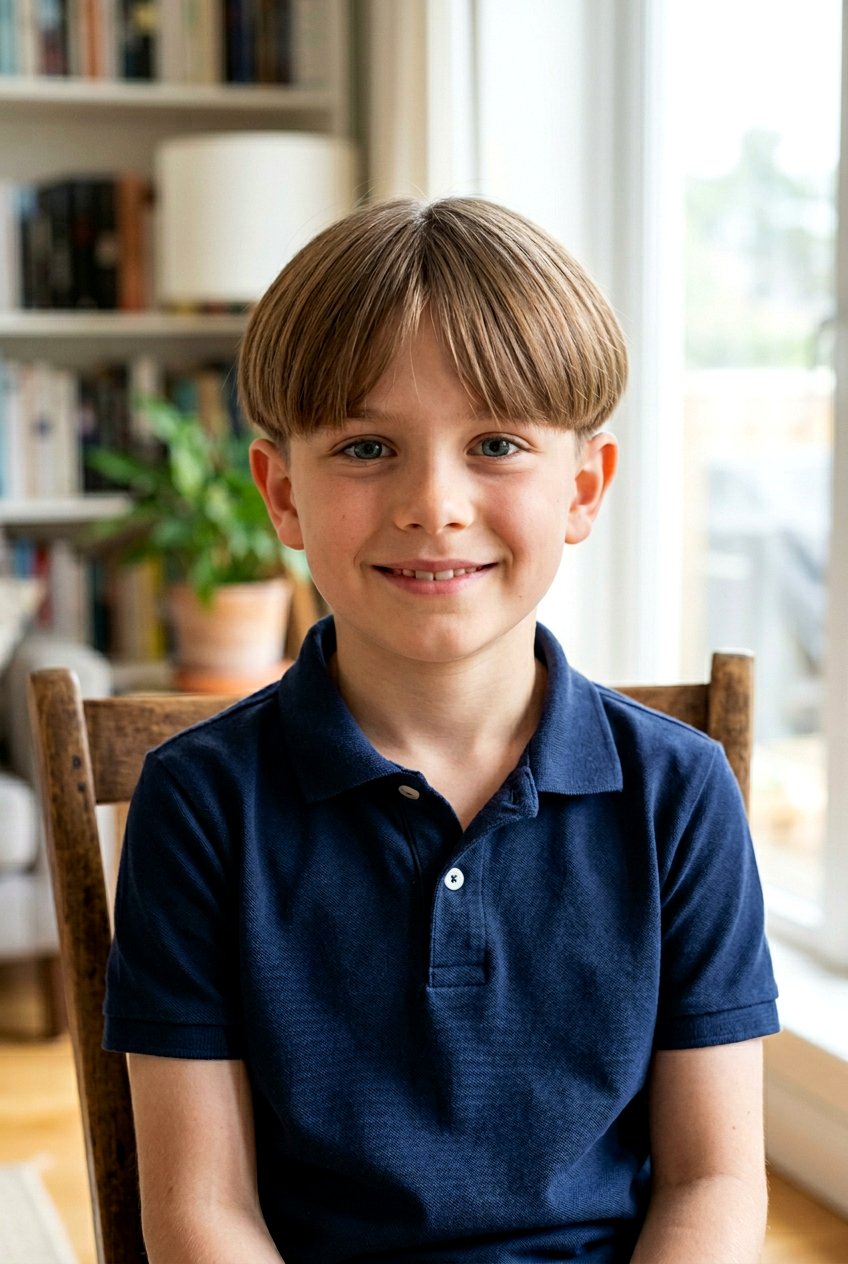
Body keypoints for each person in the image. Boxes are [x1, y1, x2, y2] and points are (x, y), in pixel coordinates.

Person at [103, 197, 779, 1263]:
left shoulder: (680, 796)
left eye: (497, 443)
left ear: (583, 488)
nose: (434, 503)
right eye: (367, 446)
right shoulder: (198, 804)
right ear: (281, 493)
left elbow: (715, 1183)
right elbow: (201, 1213)